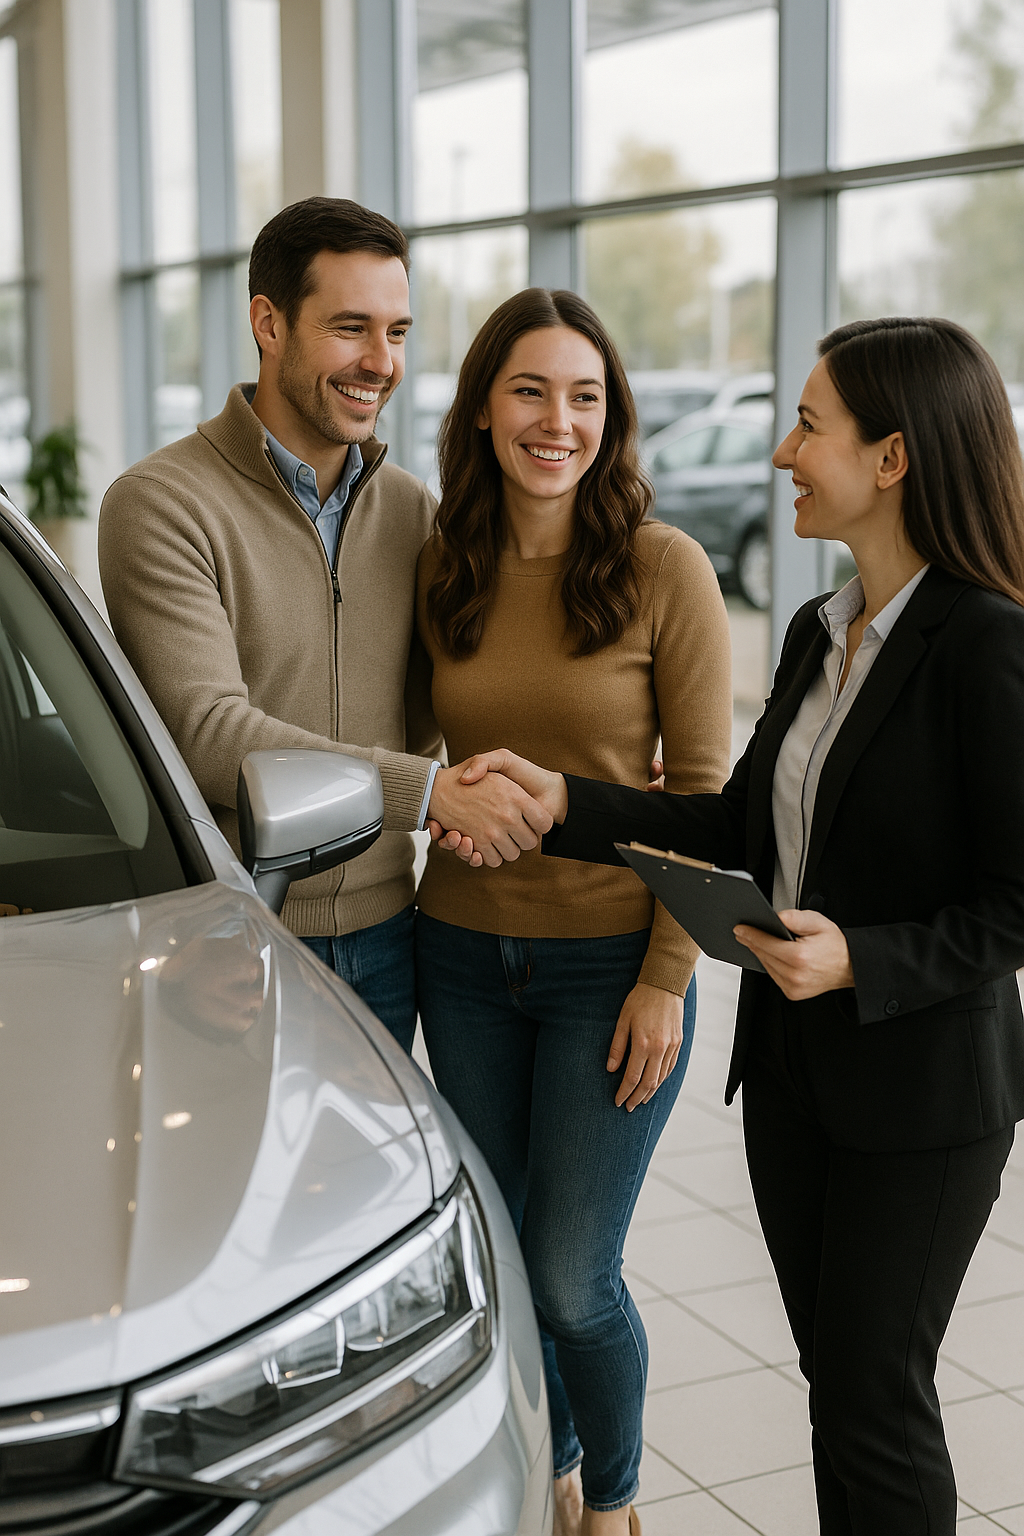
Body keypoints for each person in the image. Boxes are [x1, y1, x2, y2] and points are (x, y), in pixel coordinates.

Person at [437, 315, 1024, 1535]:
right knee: (834, 1392)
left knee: (875, 1398)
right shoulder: (822, 632)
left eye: (808, 425)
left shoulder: (987, 642)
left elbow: (1013, 903)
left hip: (919, 1093)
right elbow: (735, 824)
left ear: (892, 459)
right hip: (796, 1076)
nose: (781, 453)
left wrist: (861, 956)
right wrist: (565, 804)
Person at [414, 287, 733, 1536]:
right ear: (485, 406)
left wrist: (668, 974)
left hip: (612, 966)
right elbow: (409, 748)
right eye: (532, 390)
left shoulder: (663, 566)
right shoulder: (443, 559)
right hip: (459, 955)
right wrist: (431, 808)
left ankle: (613, 1505)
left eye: (586, 395)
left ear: (614, 416)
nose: (559, 420)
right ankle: (542, 1475)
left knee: (568, 1272)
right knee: (502, 1260)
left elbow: (705, 799)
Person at [99, 197, 549, 1052]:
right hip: (234, 936)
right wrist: (426, 793)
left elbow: (450, 699)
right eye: (351, 328)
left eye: (399, 332)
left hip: (394, 937)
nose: (381, 362)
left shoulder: (413, 510)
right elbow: (206, 728)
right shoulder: (161, 504)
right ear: (269, 323)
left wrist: (605, 754)